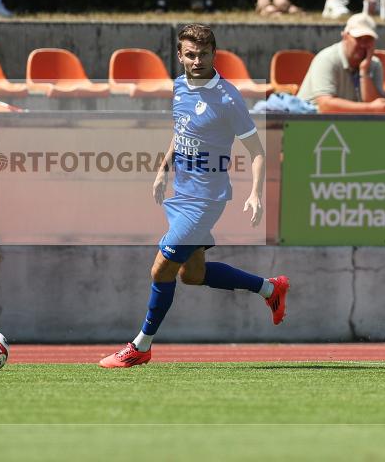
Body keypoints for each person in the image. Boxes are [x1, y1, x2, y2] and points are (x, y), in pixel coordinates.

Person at [98, 24, 289, 368]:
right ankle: (270, 289)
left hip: (205, 201)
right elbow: (181, 130)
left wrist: (255, 194)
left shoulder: (228, 98)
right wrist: (163, 169)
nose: (197, 61)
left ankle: (141, 346)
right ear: (180, 55)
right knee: (192, 275)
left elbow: (258, 151)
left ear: (214, 54)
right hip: (180, 194)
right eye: (190, 54)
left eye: (203, 54)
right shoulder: (179, 86)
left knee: (161, 269)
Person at [297, 13, 385, 113]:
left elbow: (378, 108)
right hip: (308, 119)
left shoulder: (374, 64)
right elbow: (325, 106)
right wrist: (370, 108)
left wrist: (364, 72)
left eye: (368, 39)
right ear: (345, 36)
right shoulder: (327, 59)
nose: (363, 45)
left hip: (346, 121)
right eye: (358, 39)